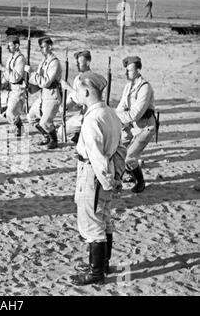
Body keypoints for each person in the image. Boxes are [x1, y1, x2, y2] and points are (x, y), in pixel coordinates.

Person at [70, 72, 123, 286]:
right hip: (106, 170)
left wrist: (107, 180)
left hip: (93, 174)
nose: (76, 95)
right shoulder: (110, 113)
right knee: (105, 220)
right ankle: (103, 264)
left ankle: (96, 273)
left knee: (92, 223)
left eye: (78, 92)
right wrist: (116, 175)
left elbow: (96, 154)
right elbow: (121, 148)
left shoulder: (92, 118)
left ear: (86, 91)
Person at [115, 56, 156, 193]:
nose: (126, 73)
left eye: (130, 71)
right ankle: (128, 173)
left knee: (129, 156)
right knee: (118, 150)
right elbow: (120, 107)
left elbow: (135, 114)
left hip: (145, 128)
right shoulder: (128, 86)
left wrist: (119, 115)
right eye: (126, 70)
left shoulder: (145, 87)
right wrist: (119, 115)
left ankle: (140, 181)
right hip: (130, 126)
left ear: (138, 70)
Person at [25, 36, 62, 149]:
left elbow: (46, 82)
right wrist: (28, 83)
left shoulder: (54, 63)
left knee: (44, 122)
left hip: (52, 95)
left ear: (50, 47)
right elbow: (38, 79)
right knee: (31, 117)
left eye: (43, 47)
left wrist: (32, 72)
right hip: (43, 95)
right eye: (40, 47)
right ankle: (46, 136)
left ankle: (54, 140)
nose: (41, 50)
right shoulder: (44, 61)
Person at [59, 50, 93, 143]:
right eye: (76, 62)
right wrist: (66, 107)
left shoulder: (91, 78)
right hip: (81, 114)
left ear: (88, 62)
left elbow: (82, 98)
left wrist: (68, 87)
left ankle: (82, 136)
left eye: (79, 62)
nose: (77, 65)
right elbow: (73, 98)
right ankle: (79, 135)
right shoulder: (77, 78)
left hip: (90, 115)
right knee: (61, 132)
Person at [0, 35, 26, 137]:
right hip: (9, 89)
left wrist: (3, 69)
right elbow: (7, 76)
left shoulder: (20, 59)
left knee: (10, 112)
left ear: (17, 45)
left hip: (18, 89)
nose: (8, 48)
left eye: (10, 46)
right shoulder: (10, 58)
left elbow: (15, 77)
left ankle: (20, 127)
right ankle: (16, 121)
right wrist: (1, 83)